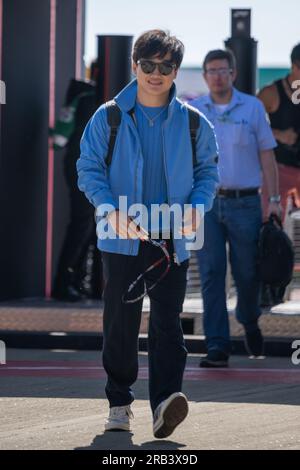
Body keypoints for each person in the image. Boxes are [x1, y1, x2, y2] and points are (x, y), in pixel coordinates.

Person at [77, 30, 219, 438]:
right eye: (149, 65)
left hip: (172, 239)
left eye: (166, 66)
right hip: (120, 237)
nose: (156, 74)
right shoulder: (108, 116)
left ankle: (165, 403)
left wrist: (197, 206)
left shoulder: (194, 122)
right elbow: (88, 169)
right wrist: (108, 208)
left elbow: (209, 173)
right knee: (120, 321)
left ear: (175, 70)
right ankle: (119, 403)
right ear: (134, 65)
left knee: (168, 324)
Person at [190, 49, 281, 368]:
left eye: (222, 70)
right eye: (211, 71)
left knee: (247, 273)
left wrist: (273, 201)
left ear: (234, 73)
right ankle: (217, 345)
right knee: (212, 274)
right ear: (204, 76)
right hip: (207, 204)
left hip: (245, 203)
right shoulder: (194, 110)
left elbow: (267, 157)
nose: (217, 76)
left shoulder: (253, 107)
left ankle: (249, 320)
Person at [53, 65, 103, 302]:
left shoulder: (80, 96)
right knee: (84, 224)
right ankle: (64, 284)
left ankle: (76, 282)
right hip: (84, 171)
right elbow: (59, 139)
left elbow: (58, 139)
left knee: (90, 225)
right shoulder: (86, 97)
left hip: (82, 169)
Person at [257, 43, 300, 305]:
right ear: (296, 67)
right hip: (281, 170)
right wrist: (278, 134)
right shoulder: (272, 93)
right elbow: (250, 121)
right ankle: (270, 289)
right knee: (269, 228)